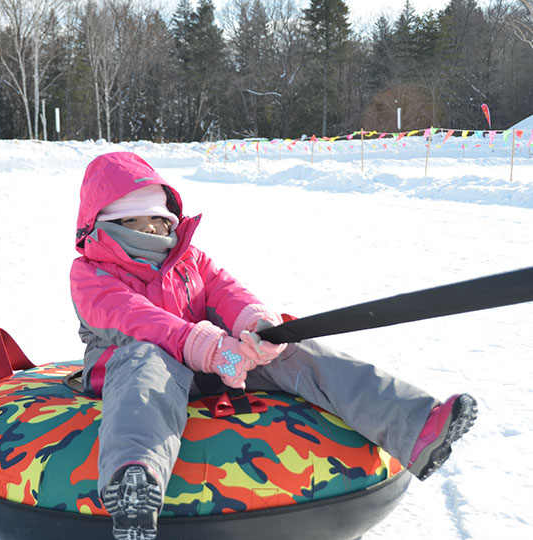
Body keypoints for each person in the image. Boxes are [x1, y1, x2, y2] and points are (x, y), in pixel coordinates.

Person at [70, 151, 477, 540]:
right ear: (110, 224)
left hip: (213, 361)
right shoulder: (89, 273)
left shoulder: (189, 258)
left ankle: (414, 426)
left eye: (161, 221)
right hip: (136, 367)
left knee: (294, 351)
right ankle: (135, 486)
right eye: (140, 223)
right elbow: (134, 319)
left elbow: (227, 292)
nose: (156, 232)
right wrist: (203, 344)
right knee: (145, 359)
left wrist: (258, 328)